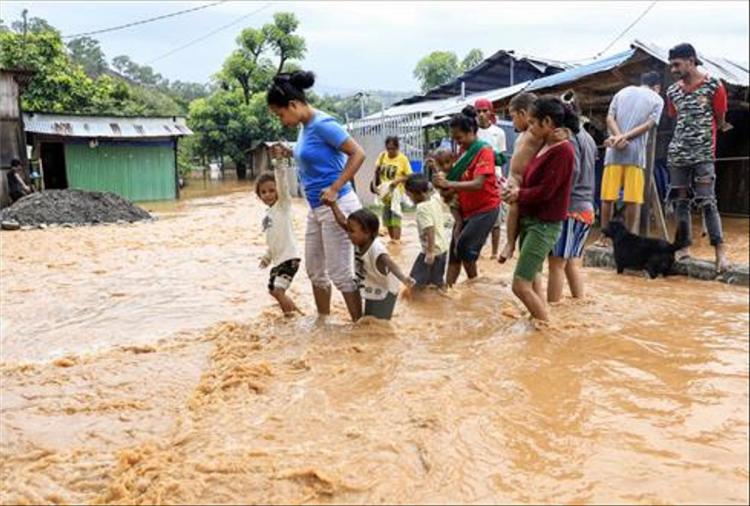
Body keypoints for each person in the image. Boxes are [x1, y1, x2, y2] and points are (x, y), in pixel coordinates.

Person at [267, 70, 366, 322]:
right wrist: (289, 152)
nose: (281, 120)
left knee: (340, 272)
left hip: (337, 204)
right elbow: (314, 156)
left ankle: (361, 328)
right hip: (316, 208)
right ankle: (324, 322)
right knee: (314, 270)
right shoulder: (304, 128)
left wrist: (335, 187)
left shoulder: (323, 124)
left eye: (281, 114)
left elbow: (358, 154)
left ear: (293, 105)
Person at [503, 96, 577, 321]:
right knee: (533, 276)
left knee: (519, 285)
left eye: (534, 123)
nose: (530, 128)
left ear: (547, 122)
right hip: (531, 219)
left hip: (543, 225)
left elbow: (547, 191)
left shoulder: (562, 150)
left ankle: (548, 329)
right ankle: (537, 324)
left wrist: (518, 194)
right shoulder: (546, 143)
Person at [665, 43, 729, 273]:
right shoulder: (672, 91)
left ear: (691, 61)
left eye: (677, 64)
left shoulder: (714, 85)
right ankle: (683, 246)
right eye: (671, 65)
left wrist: (718, 128)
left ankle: (720, 250)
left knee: (707, 201)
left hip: (703, 154)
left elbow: (720, 116)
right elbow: (674, 116)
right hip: (678, 155)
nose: (673, 69)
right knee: (680, 201)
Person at [433, 106, 501, 286]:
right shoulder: (463, 151)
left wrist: (449, 184)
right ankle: (448, 290)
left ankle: (474, 283)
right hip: (466, 210)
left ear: (471, 131)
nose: (458, 143)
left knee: (463, 246)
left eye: (459, 138)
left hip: (485, 209)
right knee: (455, 252)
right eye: (455, 139)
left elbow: (478, 183)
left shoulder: (483, 151)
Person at [598, 71, 665, 239]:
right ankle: (629, 237)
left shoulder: (622, 92)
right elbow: (649, 125)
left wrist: (618, 136)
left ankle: (604, 238)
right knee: (632, 198)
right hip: (635, 155)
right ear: (657, 87)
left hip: (613, 152)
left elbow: (609, 118)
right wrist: (626, 137)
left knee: (608, 197)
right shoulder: (657, 99)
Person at [326, 202, 414, 320]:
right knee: (369, 320)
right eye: (348, 230)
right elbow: (343, 222)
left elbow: (391, 265)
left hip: (385, 291)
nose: (348, 234)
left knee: (379, 324)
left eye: (351, 231)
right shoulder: (359, 241)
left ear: (367, 233)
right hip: (372, 285)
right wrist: (333, 206)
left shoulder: (377, 250)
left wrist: (404, 279)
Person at [547, 107, 598, 303]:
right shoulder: (588, 138)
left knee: (556, 264)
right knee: (571, 264)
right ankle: (579, 301)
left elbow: (572, 172)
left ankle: (551, 311)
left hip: (571, 208)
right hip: (587, 208)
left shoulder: (570, 140)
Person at [256, 143, 301, 316]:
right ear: (259, 196)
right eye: (263, 192)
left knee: (278, 291)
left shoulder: (283, 205)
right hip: (279, 260)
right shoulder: (267, 216)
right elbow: (271, 240)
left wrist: (279, 162)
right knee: (272, 290)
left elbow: (282, 181)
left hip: (290, 258)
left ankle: (291, 319)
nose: (268, 194)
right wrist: (267, 258)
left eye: (271, 191)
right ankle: (294, 313)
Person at [475, 98, 508, 259]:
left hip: (495, 179)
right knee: (478, 218)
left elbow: (502, 158)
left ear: (490, 112)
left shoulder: (499, 133)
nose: (481, 114)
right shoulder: (473, 133)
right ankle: (478, 251)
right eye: (478, 111)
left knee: (496, 219)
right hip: (476, 180)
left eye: (484, 110)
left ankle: (494, 253)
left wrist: (488, 157)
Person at [404, 174, 449, 288]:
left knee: (414, 284)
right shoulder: (435, 199)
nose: (410, 198)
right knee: (436, 283)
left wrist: (430, 252)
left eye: (410, 196)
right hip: (442, 249)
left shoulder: (421, 208)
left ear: (419, 194)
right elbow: (433, 189)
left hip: (431, 251)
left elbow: (430, 229)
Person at [371, 136, 412, 242]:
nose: (390, 151)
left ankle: (397, 241)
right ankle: (392, 240)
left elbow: (409, 176)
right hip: (385, 194)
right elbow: (376, 171)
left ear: (397, 148)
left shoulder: (403, 159)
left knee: (396, 217)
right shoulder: (382, 156)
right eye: (388, 148)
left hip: (396, 194)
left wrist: (397, 181)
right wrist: (375, 186)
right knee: (387, 219)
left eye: (393, 148)